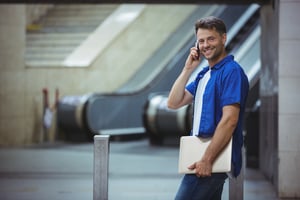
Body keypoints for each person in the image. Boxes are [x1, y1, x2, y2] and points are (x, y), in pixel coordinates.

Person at [167, 16, 249, 200]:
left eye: (211, 39)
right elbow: (173, 103)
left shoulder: (232, 72)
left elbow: (230, 120)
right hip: (202, 157)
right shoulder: (204, 74)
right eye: (201, 41)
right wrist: (188, 69)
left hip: (209, 159)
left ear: (223, 38)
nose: (205, 45)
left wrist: (207, 160)